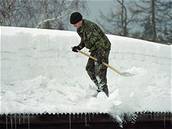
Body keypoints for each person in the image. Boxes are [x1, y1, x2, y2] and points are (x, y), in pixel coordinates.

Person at [70, 12, 111, 97]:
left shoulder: (90, 27)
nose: (74, 25)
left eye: (75, 23)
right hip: (95, 49)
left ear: (80, 20)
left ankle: (104, 94)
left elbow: (101, 42)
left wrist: (101, 56)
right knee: (89, 68)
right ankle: (100, 88)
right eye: (73, 24)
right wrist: (79, 47)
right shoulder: (80, 29)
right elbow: (84, 40)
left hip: (103, 48)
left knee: (100, 70)